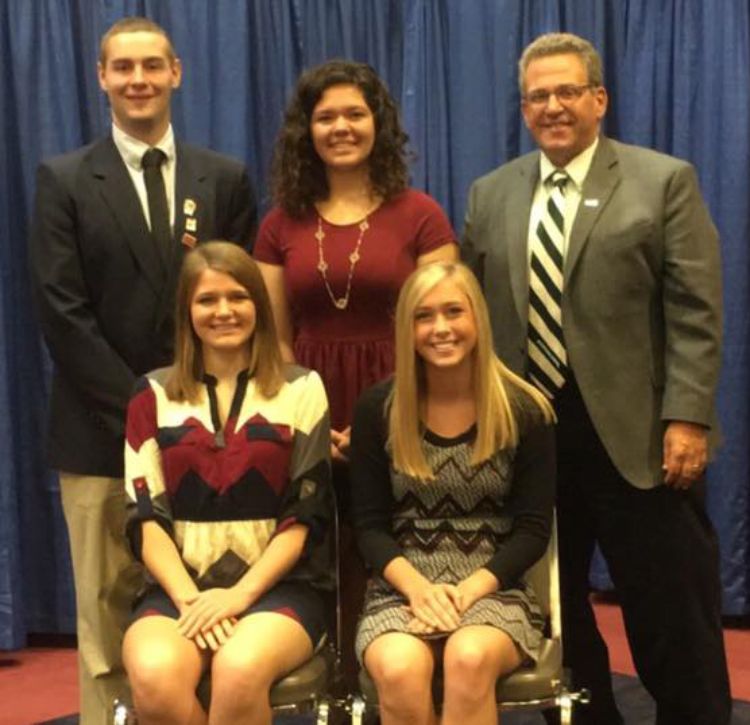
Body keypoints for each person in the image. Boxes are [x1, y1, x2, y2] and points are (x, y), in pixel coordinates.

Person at [462, 31, 730, 725]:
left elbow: (696, 312)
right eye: (537, 96)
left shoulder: (661, 180)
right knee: (552, 605)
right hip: (532, 438)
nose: (553, 106)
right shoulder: (490, 195)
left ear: (599, 99)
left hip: (642, 438)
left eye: (567, 91)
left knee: (670, 605)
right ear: (523, 108)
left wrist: (689, 416)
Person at [28, 17, 255, 722]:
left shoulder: (223, 178)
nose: (138, 80)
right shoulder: (64, 180)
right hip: (99, 435)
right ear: (101, 78)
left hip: (212, 442)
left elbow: (236, 305)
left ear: (177, 73)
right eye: (123, 68)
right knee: (105, 610)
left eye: (152, 66)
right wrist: (144, 409)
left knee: (207, 608)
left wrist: (193, 413)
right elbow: (62, 313)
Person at [253, 58, 457, 683]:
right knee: (327, 549)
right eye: (325, 117)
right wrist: (313, 425)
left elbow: (444, 324)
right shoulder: (279, 222)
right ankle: (336, 685)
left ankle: (411, 681)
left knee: (401, 539)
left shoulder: (421, 213)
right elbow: (275, 338)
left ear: (379, 124)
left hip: (405, 401)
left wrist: (384, 421)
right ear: (305, 131)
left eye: (354, 114)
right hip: (309, 403)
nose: (341, 127)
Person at [122, 242, 331, 724]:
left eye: (237, 297)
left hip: (282, 589)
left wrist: (237, 599)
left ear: (259, 303)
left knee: (238, 669)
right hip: (180, 591)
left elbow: (304, 517)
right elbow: (145, 517)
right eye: (207, 300)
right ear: (186, 312)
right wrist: (193, 602)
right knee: (154, 676)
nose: (223, 311)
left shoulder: (303, 389)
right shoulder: (149, 394)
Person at [350, 262, 555, 725]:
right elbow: (370, 528)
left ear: (477, 319)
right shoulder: (377, 409)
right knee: (400, 668)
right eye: (424, 316)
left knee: (468, 658)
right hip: (401, 590)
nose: (440, 328)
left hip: (494, 588)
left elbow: (532, 532)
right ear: (407, 328)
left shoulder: (526, 410)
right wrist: (421, 592)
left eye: (453, 312)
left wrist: (464, 594)